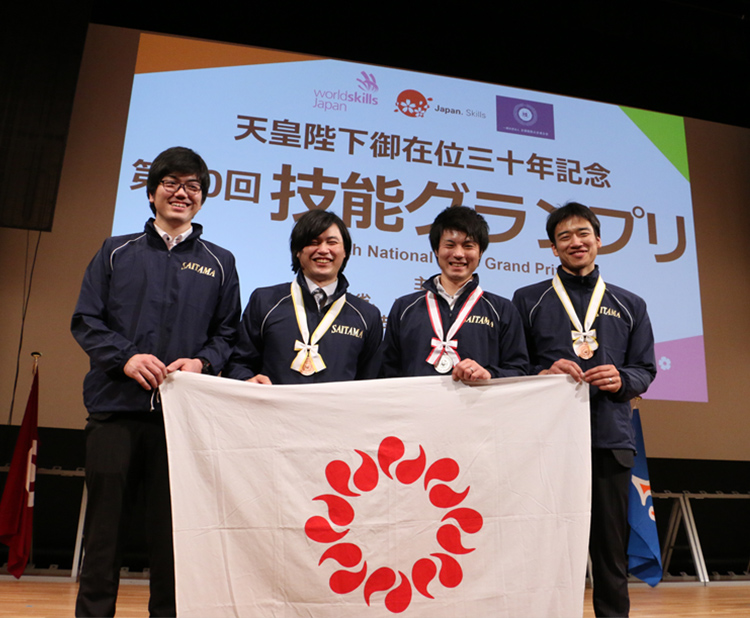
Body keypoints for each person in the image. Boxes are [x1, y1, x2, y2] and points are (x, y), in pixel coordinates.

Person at [71, 146, 241, 617]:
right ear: (150, 194)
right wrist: (125, 358)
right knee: (104, 536)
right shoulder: (115, 251)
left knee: (172, 539)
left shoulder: (221, 262)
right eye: (171, 183)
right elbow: (86, 320)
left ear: (202, 200)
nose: (181, 193)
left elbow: (228, 334)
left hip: (181, 425)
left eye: (192, 186)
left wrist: (202, 364)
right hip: (114, 412)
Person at [512, 202, 656, 617]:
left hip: (610, 436)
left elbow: (645, 368)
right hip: (546, 440)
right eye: (564, 237)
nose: (575, 242)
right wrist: (543, 371)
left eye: (583, 234)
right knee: (546, 546)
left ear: (598, 240)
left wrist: (623, 380)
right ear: (553, 248)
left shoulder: (630, 303)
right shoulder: (528, 300)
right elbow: (516, 365)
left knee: (610, 550)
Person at [223, 209, 382, 384]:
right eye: (313, 242)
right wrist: (247, 379)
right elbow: (237, 362)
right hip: (271, 409)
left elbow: (370, 383)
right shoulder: (265, 301)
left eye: (332, 242)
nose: (323, 250)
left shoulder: (367, 315)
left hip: (335, 411)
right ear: (298, 251)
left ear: (345, 252)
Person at [381, 205, 528, 381]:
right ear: (436, 250)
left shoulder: (502, 309)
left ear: (480, 252)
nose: (458, 254)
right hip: (418, 407)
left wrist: (490, 374)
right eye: (450, 245)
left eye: (468, 246)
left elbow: (519, 371)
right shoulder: (404, 307)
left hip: (477, 407)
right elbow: (386, 373)